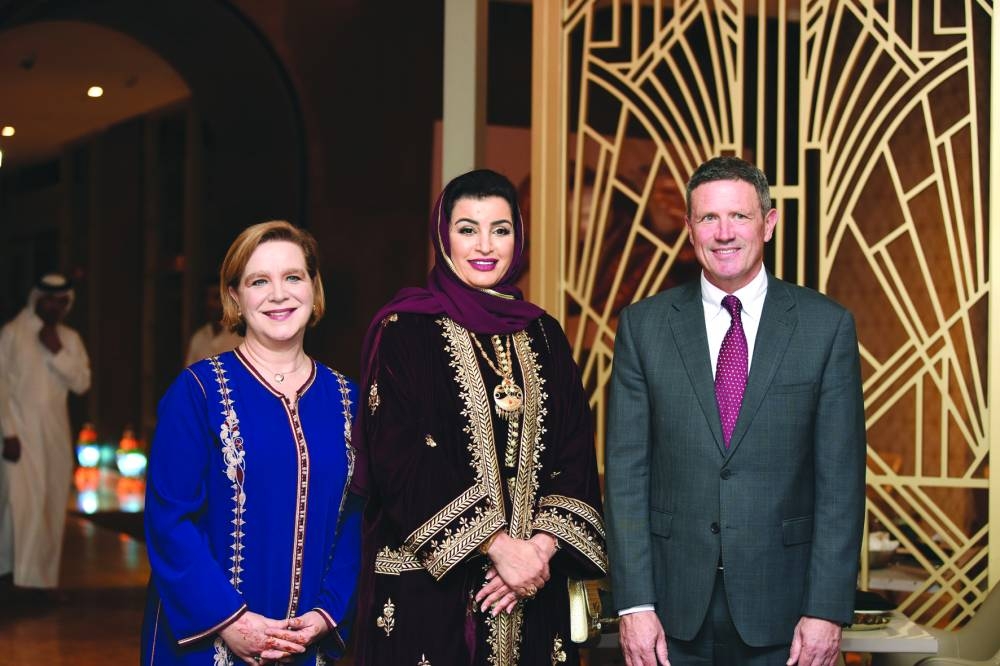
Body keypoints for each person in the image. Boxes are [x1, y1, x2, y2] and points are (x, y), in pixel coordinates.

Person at [604, 156, 866, 666]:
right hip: (669, 615)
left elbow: (841, 482)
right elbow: (626, 475)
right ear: (689, 229)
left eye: (739, 216)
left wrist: (826, 609)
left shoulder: (826, 327)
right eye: (708, 218)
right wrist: (634, 604)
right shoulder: (642, 327)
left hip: (787, 613)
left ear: (768, 223)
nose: (724, 233)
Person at [351, 169, 607, 665]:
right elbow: (399, 459)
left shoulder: (545, 334)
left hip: (533, 592)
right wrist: (498, 547)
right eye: (467, 229)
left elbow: (575, 449)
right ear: (443, 236)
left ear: (518, 238)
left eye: (500, 229)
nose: (485, 245)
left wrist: (538, 551)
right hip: (433, 598)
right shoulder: (406, 331)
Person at [140, 221, 361, 665]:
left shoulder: (348, 399)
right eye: (259, 281)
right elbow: (170, 520)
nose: (278, 294)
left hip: (307, 643)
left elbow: (359, 516)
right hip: (209, 643)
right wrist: (232, 622)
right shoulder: (197, 392)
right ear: (235, 297)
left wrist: (326, 614)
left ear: (314, 289)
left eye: (293, 277)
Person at [0, 273, 91, 595]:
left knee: (50, 507)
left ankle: (39, 583)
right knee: (20, 506)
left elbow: (82, 383)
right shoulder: (12, 333)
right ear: (38, 299)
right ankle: (14, 578)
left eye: (61, 302)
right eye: (50, 301)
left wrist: (56, 352)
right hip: (19, 436)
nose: (55, 307)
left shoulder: (70, 339)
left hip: (55, 436)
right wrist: (8, 433)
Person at [185, 279, 243, 366]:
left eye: (216, 298)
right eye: (207, 298)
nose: (210, 303)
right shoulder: (198, 338)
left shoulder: (239, 338)